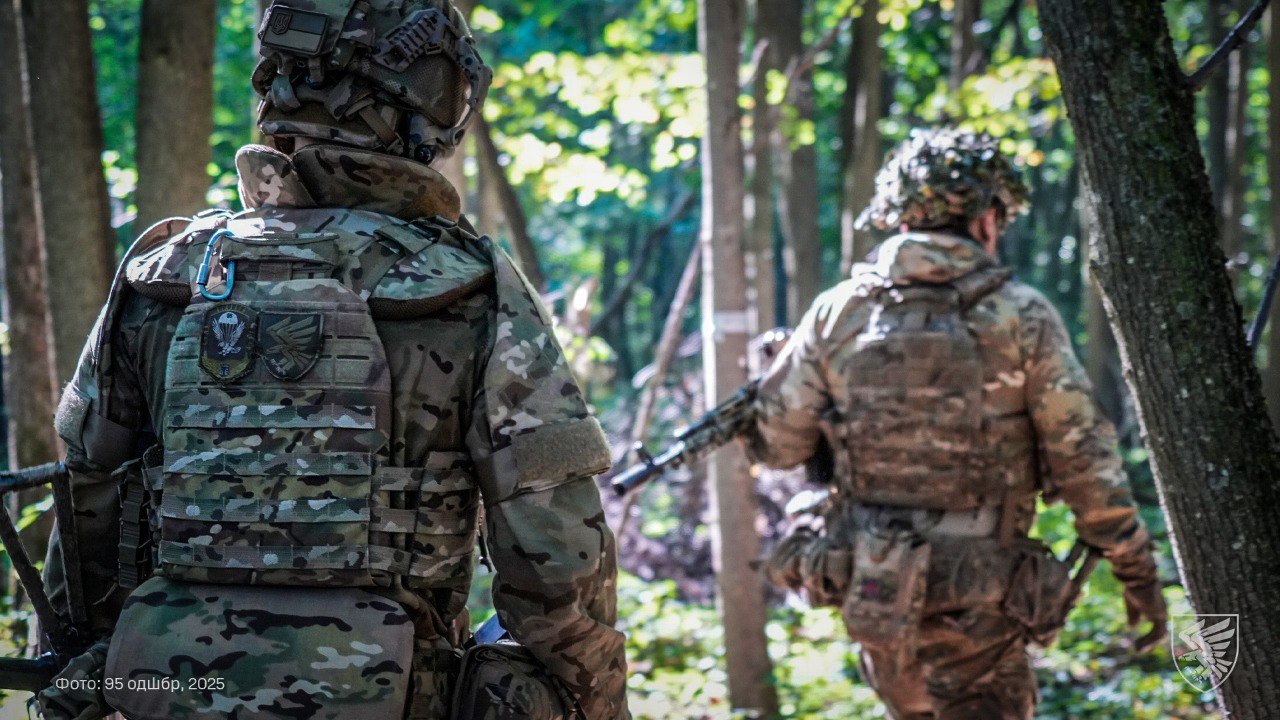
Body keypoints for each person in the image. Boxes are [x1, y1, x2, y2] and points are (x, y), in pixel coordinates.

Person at [35, 2, 629, 718]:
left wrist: (93, 677)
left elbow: (84, 519)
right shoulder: (468, 284)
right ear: (427, 97)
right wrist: (596, 700)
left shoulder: (164, 276)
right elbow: (558, 567)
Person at [746, 128, 1167, 720]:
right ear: (987, 218)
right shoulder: (1020, 315)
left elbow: (776, 446)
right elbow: (1084, 463)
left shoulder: (837, 313)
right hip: (983, 607)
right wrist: (1137, 572)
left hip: (875, 592)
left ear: (899, 217)